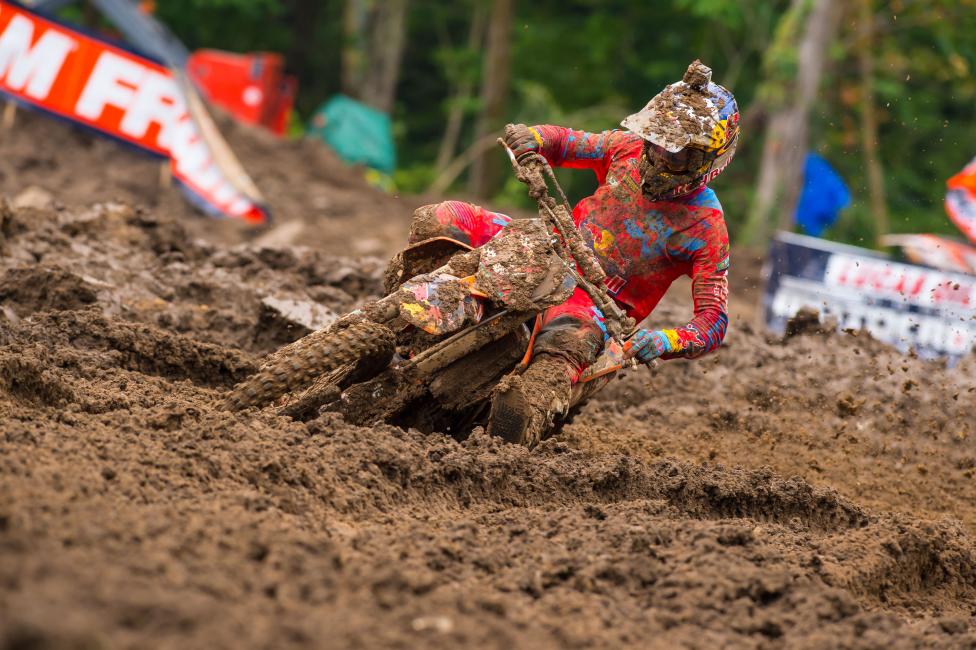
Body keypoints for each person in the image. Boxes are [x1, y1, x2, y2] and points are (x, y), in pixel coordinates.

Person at [405, 60, 738, 445]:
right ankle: (404, 326)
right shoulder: (627, 149)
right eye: (657, 140)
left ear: (707, 159)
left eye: (677, 153)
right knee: (441, 218)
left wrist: (665, 341)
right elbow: (566, 142)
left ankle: (495, 452)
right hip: (544, 246)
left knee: (544, 376)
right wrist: (533, 138)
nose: (662, 156)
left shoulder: (706, 226)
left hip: (591, 305)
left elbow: (713, 320)